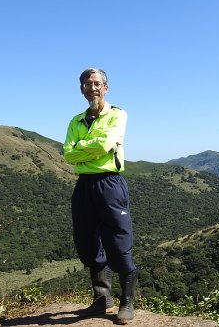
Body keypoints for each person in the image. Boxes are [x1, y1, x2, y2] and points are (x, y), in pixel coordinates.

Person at [63, 68, 138, 324]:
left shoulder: (117, 114)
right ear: (82, 89)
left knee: (118, 240)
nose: (92, 87)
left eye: (96, 83)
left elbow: (105, 145)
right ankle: (102, 299)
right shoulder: (75, 121)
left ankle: (126, 302)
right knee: (86, 240)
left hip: (110, 183)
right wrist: (92, 148)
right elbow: (68, 154)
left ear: (105, 87)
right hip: (84, 185)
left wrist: (84, 148)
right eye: (87, 83)